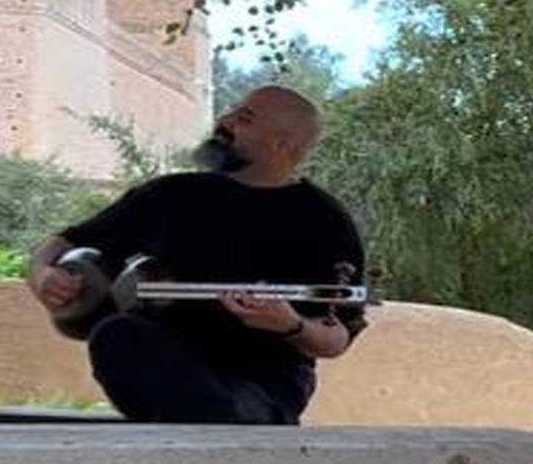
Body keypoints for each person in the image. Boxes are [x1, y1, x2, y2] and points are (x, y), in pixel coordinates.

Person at [27, 86, 367, 424]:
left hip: (262, 383)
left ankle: (210, 422)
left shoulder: (324, 220)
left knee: (225, 410)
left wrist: (292, 326)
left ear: (282, 145)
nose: (225, 121)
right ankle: (206, 421)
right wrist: (43, 272)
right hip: (164, 366)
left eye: (244, 119)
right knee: (115, 334)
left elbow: (336, 339)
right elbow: (67, 242)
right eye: (232, 111)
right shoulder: (171, 195)